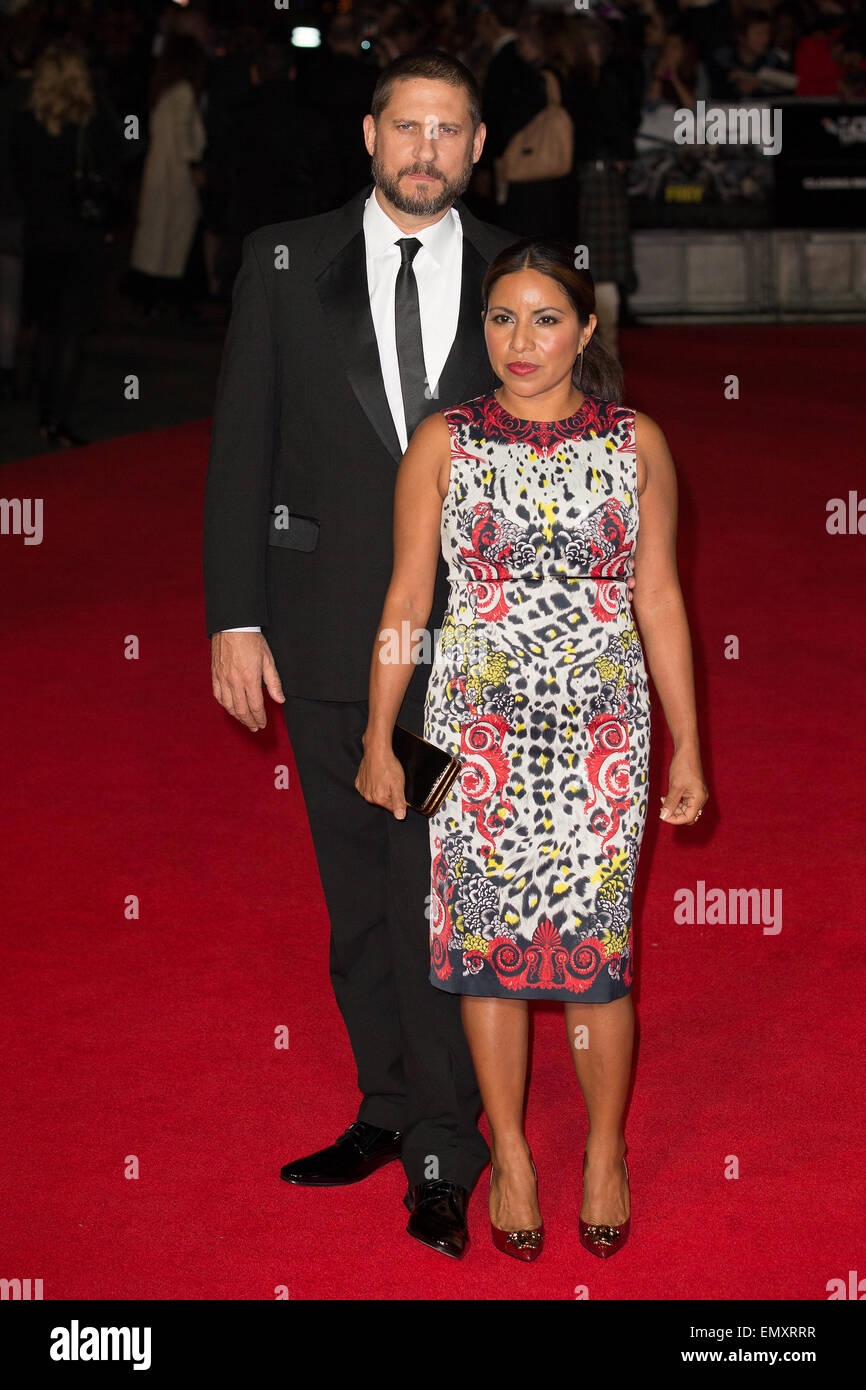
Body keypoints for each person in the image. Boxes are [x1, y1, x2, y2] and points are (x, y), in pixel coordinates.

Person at [204, 50, 590, 1259]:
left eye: (450, 132)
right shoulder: (280, 259)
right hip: (321, 630)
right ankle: (382, 1103)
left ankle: (441, 1143)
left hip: (470, 650)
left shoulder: (516, 277)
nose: (426, 150)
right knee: (358, 899)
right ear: (370, 135)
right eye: (406, 128)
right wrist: (233, 615)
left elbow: (563, 449)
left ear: (479, 147)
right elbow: (240, 449)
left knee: (435, 894)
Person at [356, 239, 708, 1260]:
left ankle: (603, 1148)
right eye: (501, 319)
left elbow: (659, 599)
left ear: (586, 330)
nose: (520, 341)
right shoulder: (444, 443)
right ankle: (507, 1151)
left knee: (592, 957)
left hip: (601, 731)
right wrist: (382, 734)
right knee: (486, 957)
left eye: (544, 318)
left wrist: (686, 747)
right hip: (473, 735)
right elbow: (407, 601)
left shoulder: (635, 442)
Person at [9, 38, 126, 447]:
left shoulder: (23, 124)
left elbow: (16, 181)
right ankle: (59, 419)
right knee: (71, 332)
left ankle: (45, 414)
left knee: (46, 329)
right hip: (83, 237)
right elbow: (123, 159)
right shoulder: (93, 122)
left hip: (42, 236)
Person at [128, 33, 207, 317]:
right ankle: (163, 297)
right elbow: (184, 134)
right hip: (175, 175)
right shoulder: (184, 91)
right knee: (174, 236)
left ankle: (147, 296)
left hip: (158, 170)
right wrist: (193, 165)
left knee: (153, 235)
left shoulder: (162, 89)